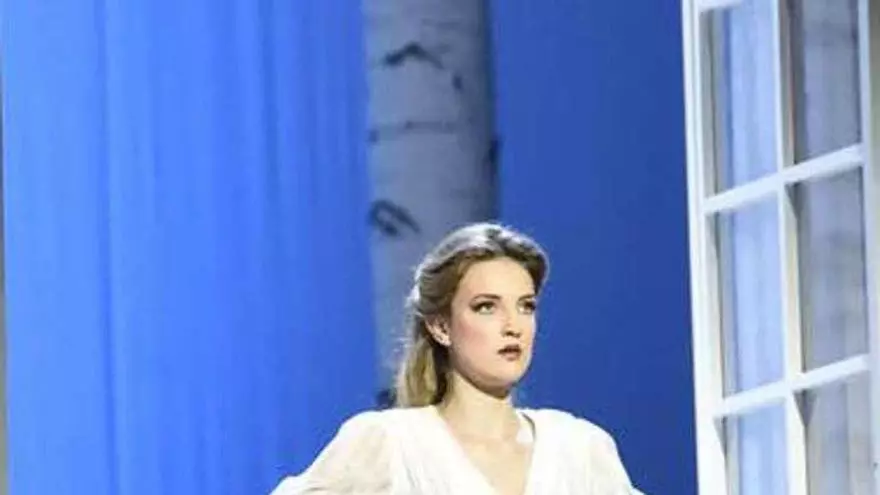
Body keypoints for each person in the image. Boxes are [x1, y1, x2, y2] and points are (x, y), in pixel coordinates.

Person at [271, 223, 643, 494]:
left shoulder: (580, 449)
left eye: (526, 306)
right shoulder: (392, 444)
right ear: (441, 327)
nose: (513, 326)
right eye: (486, 307)